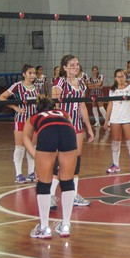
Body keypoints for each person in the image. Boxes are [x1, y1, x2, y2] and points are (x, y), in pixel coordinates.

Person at [23, 96, 78, 238]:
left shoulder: (34, 117)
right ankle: (66, 225)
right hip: (68, 132)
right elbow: (70, 127)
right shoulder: (63, 113)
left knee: (44, 183)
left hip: (47, 132)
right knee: (67, 181)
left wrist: (37, 156)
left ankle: (44, 227)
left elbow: (25, 138)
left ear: (38, 108)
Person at [50, 54, 95, 208]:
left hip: (77, 128)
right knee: (60, 161)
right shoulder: (59, 82)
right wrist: (60, 122)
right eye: (72, 64)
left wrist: (89, 128)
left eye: (77, 64)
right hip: (62, 126)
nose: (76, 66)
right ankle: (50, 195)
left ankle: (74, 195)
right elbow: (54, 106)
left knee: (76, 161)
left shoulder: (81, 84)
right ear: (64, 67)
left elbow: (82, 107)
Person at [0, 64, 38, 183]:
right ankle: (18, 174)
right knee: (20, 147)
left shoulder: (36, 87)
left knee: (32, 147)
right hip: (21, 120)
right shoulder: (18, 86)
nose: (32, 75)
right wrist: (15, 107)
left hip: (33, 121)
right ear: (24, 74)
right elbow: (1, 97)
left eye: (34, 73)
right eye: (30, 73)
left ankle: (31, 172)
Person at [104, 69, 130, 174]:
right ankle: (116, 165)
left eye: (122, 76)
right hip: (115, 118)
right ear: (115, 78)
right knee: (115, 142)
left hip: (127, 118)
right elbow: (110, 105)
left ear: (125, 77)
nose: (121, 78)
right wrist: (107, 120)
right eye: (118, 76)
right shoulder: (112, 90)